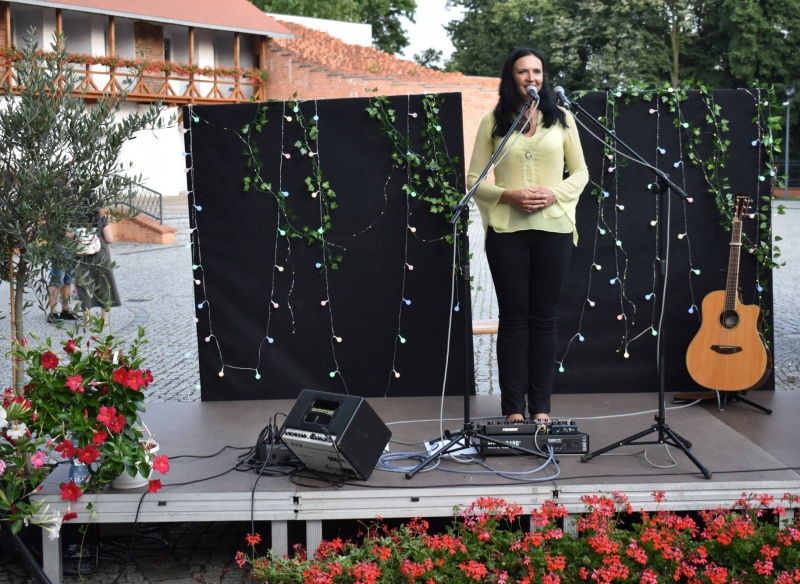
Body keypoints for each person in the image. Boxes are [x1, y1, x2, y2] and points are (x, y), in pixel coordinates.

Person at [467, 47, 589, 424]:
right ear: (511, 77)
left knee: (545, 319)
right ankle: (513, 410)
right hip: (508, 231)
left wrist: (553, 193)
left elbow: (581, 173)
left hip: (554, 228)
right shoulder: (492, 121)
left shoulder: (563, 119)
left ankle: (540, 407)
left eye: (537, 71)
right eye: (523, 72)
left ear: (543, 77)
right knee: (513, 319)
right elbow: (473, 179)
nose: (531, 77)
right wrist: (508, 195)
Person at [75, 210, 121, 326]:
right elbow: (109, 239)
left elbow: (69, 237)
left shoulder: (75, 218)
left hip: (82, 255)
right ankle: (103, 319)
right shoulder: (100, 218)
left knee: (83, 286)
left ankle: (87, 320)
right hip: (101, 255)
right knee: (104, 284)